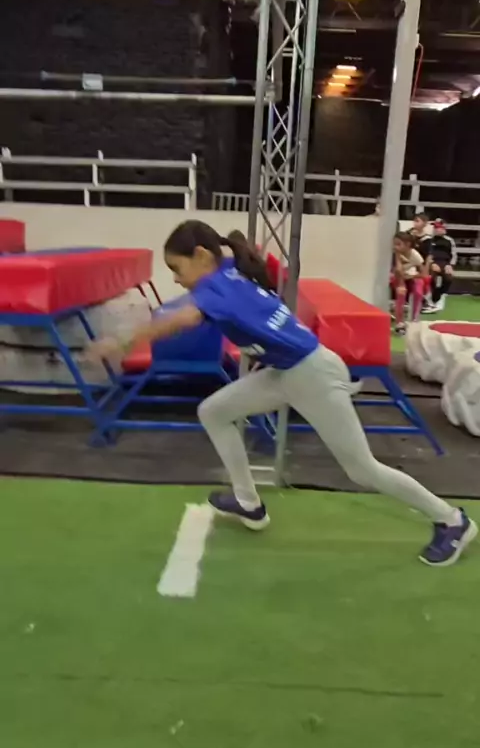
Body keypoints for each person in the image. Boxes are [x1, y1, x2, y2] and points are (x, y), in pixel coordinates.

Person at [88, 219, 477, 567]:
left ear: (202, 256)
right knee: (214, 411)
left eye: (177, 268)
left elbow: (182, 320)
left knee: (362, 470)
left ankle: (452, 521)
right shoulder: (228, 272)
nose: (175, 279)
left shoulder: (215, 288)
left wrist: (122, 341)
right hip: (289, 371)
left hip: (311, 374)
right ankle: (248, 503)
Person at [390, 232, 425, 336]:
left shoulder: (415, 255)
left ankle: (414, 320)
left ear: (408, 244)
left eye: (398, 244)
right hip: (398, 277)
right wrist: (401, 284)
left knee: (418, 292)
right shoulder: (395, 253)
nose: (395, 247)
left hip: (411, 276)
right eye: (394, 244)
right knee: (401, 293)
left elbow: (423, 273)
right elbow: (398, 270)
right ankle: (399, 322)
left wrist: (413, 276)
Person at [424, 219, 457, 313]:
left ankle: (441, 299)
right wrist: (431, 263)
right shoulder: (429, 239)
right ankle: (430, 301)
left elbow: (453, 254)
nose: (436, 229)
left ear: (444, 228)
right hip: (432, 262)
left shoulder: (449, 240)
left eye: (438, 227)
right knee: (431, 277)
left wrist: (450, 265)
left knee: (449, 277)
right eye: (435, 227)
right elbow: (426, 254)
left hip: (445, 262)